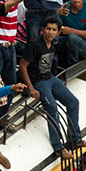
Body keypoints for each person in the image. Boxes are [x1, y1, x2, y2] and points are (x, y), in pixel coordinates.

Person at [19, 17, 80, 159]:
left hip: (50, 78)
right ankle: (58, 147)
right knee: (52, 108)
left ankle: (75, 139)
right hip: (38, 81)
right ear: (43, 29)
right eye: (48, 29)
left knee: (73, 102)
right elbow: (23, 66)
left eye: (53, 30)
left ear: (58, 32)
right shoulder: (35, 45)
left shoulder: (54, 44)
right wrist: (31, 88)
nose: (50, 32)